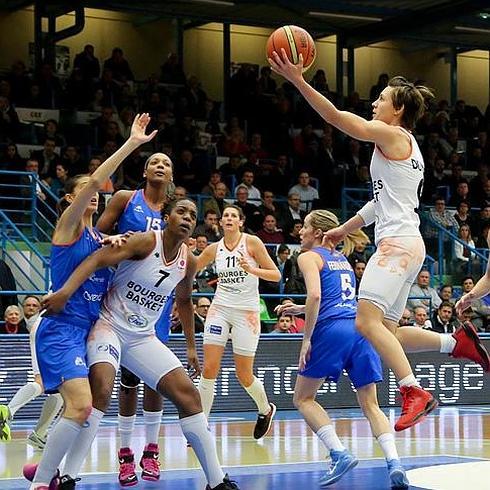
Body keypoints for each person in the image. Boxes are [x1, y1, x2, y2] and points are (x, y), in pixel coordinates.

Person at [268, 52, 490, 430]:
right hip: (408, 244)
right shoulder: (406, 147)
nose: (374, 103)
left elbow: (337, 118)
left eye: (382, 99)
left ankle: (413, 391)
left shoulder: (392, 134)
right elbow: (379, 202)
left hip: (396, 246)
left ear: (398, 110)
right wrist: (344, 228)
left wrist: (298, 80)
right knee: (388, 332)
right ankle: (456, 344)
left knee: (365, 322)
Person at [34, 199, 239, 490]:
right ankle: (67, 476)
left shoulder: (189, 261)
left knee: (189, 396)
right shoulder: (145, 242)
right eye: (181, 212)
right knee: (102, 390)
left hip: (142, 336)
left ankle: (217, 481)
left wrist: (191, 347)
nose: (187, 218)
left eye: (192, 215)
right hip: (108, 326)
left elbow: (184, 301)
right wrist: (65, 292)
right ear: (166, 217)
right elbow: (96, 259)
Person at [13, 114, 158, 490]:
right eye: (84, 191)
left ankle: (49, 469)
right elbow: (96, 181)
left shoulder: (101, 240)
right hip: (61, 327)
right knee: (80, 405)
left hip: (89, 331)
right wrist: (132, 144)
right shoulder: (69, 226)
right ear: (70, 199)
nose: (93, 193)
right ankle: (41, 482)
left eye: (95, 192)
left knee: (89, 406)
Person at [275, 210, 409, 488]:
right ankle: (395, 462)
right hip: (360, 330)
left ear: (317, 232)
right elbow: (334, 299)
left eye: (305, 227)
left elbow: (315, 295)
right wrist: (299, 309)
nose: (300, 231)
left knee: (303, 399)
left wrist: (306, 339)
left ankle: (338, 452)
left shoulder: (308, 256)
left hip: (332, 331)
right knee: (371, 404)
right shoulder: (342, 260)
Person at [95, 151, 176, 485]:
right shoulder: (125, 198)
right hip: (121, 297)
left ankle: (152, 451)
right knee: (127, 380)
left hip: (157, 302)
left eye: (166, 164)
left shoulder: (175, 210)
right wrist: (111, 241)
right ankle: (125, 454)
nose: (160, 166)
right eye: (155, 162)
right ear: (145, 171)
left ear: (171, 176)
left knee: (156, 379)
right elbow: (95, 236)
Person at [196, 205, 281, 438]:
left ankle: (265, 409)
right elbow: (192, 267)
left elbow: (276, 275)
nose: (229, 218)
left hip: (247, 312)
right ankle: (201, 426)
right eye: (225, 215)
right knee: (209, 369)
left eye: (234, 215)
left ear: (241, 222)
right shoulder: (214, 248)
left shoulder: (252, 243)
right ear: (220, 223)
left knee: (243, 374)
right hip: (220, 309)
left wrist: (252, 269)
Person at [0, 296, 64, 449]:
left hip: (50, 327)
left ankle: (39, 435)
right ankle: (8, 411)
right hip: (55, 329)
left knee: (61, 389)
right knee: (43, 381)